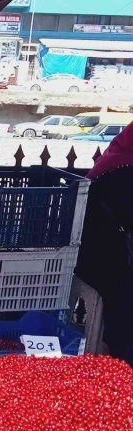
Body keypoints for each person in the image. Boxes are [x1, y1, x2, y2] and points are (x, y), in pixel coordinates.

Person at [76, 122, 133, 366]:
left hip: (100, 253)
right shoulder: (122, 172)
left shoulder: (114, 160)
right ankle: (120, 365)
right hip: (104, 258)